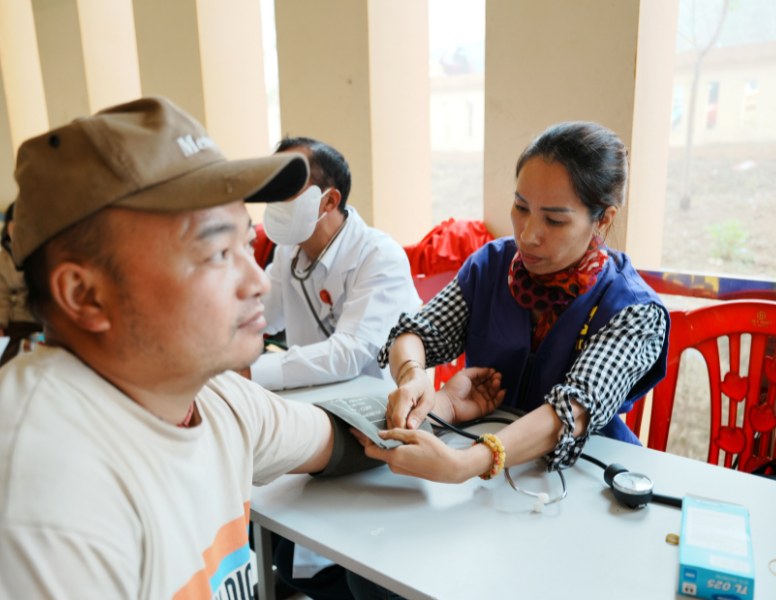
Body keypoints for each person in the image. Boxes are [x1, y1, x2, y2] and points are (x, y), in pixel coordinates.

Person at [0, 96, 502, 599]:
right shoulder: (45, 495)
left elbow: (341, 435)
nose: (256, 282)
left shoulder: (217, 401)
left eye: (245, 244)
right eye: (218, 252)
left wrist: (442, 405)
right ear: (84, 294)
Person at [369, 120, 670, 479]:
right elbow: (416, 333)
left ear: (603, 219)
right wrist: (413, 376)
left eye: (554, 221)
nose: (528, 235)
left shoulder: (634, 311)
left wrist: (466, 464)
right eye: (521, 207)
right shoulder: (490, 267)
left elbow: (572, 409)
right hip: (486, 470)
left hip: (583, 476)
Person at [246, 136, 421, 391]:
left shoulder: (381, 256)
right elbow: (257, 315)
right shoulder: (288, 253)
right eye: (274, 186)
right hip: (309, 399)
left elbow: (348, 354)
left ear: (329, 201)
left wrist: (249, 371)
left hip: (376, 405)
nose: (276, 197)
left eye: (288, 185)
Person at [0, 201, 42, 366]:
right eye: (14, 225)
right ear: (8, 228)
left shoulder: (42, 257)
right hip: (13, 322)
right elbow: (1, 296)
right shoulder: (3, 261)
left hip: (39, 322)